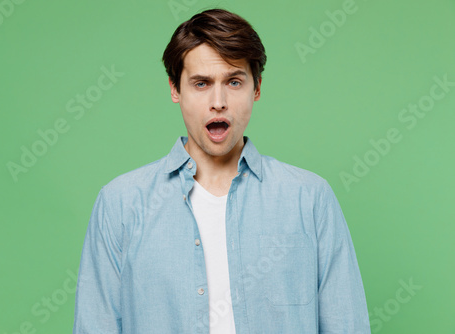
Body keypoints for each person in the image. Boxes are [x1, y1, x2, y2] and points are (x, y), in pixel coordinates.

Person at [72, 8, 371, 334]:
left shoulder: (309, 198)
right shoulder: (120, 204)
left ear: (256, 88)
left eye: (234, 81)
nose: (218, 101)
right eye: (201, 83)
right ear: (175, 89)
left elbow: (348, 326)